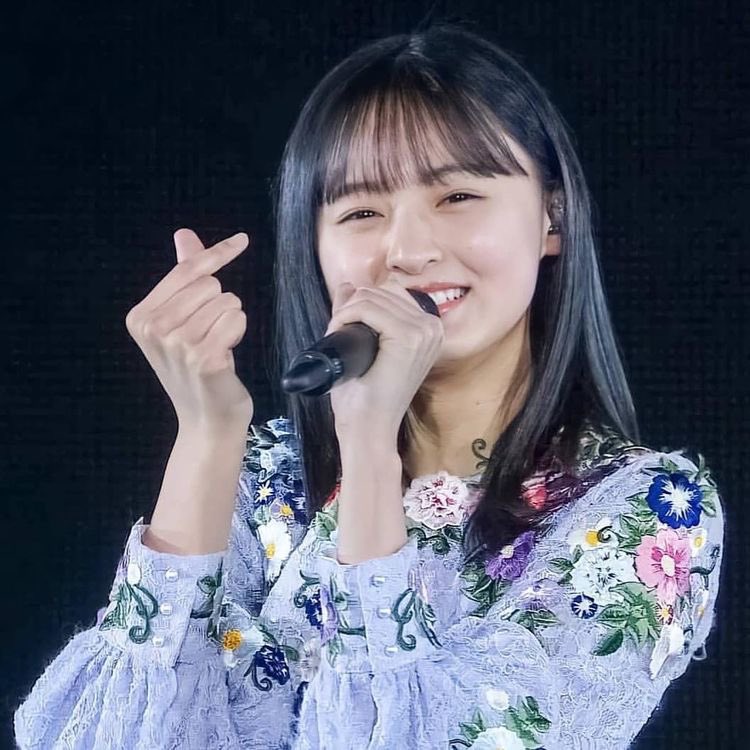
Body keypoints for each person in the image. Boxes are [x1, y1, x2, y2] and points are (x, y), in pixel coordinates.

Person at [14, 20, 724, 750]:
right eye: (361, 212)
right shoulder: (263, 479)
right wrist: (207, 434)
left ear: (552, 216)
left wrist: (370, 450)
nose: (408, 250)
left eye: (458, 196)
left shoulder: (646, 508)